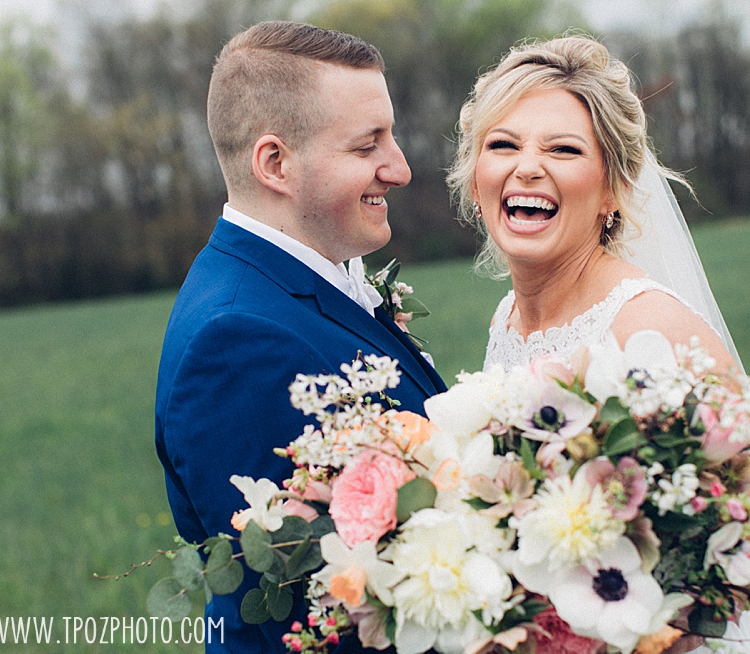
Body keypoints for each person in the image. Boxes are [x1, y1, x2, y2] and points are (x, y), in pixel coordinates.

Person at [448, 34, 750, 653]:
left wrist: (646, 631)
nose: (527, 166)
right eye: (502, 145)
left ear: (613, 187)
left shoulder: (654, 326)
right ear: (476, 182)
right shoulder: (507, 319)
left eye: (562, 148)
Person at [154, 21, 445, 653]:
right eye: (369, 145)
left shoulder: (297, 287)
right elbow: (317, 619)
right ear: (275, 163)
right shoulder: (237, 343)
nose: (399, 168)